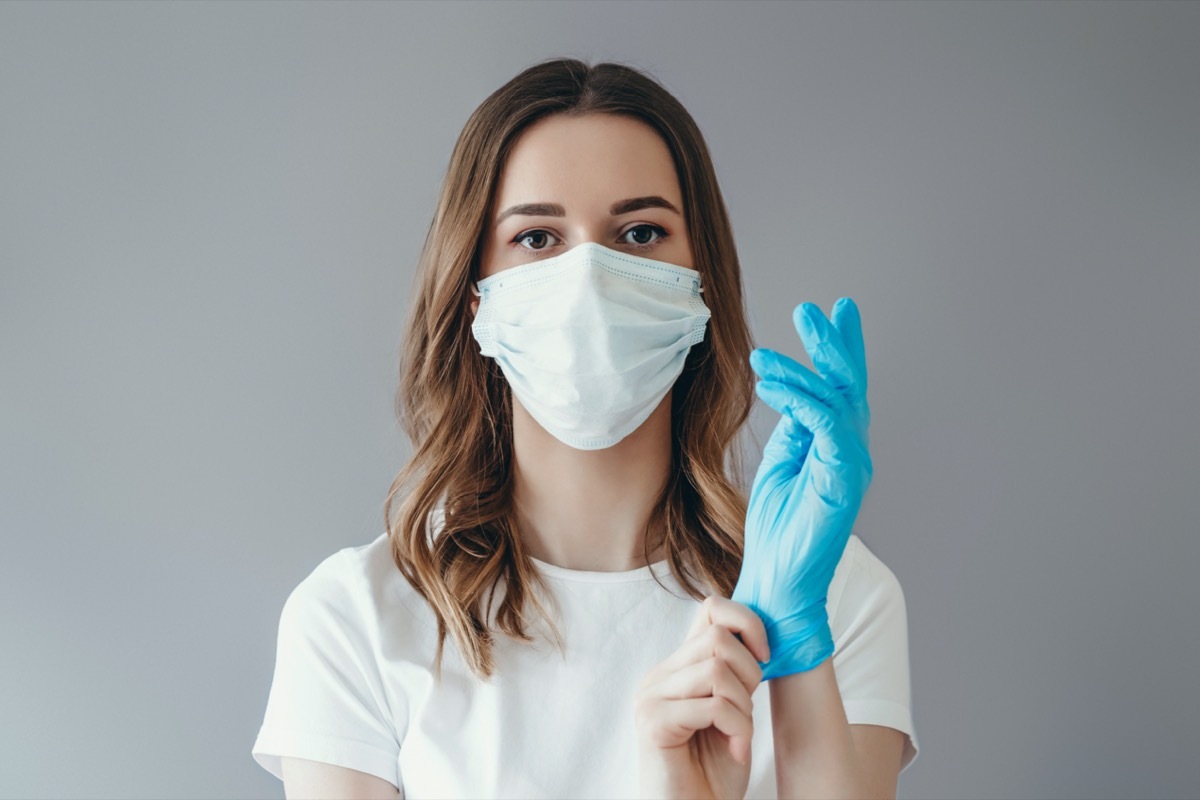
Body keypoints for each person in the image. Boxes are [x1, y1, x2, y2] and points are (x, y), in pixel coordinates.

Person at [251, 57, 918, 799]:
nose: (589, 279)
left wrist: (793, 658)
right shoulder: (357, 620)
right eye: (537, 239)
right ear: (474, 296)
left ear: (702, 282)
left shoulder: (834, 597)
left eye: (639, 233)